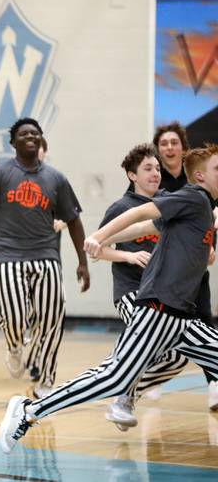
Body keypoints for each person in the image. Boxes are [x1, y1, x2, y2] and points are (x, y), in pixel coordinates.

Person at [0, 145, 218, 454]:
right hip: (158, 311)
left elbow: (145, 228)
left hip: (183, 317)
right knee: (114, 377)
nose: (155, 173)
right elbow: (141, 213)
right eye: (217, 169)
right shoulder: (194, 197)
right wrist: (98, 238)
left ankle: (126, 394)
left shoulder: (200, 210)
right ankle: (29, 410)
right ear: (199, 175)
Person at [0, 118, 90, 398]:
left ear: (41, 140)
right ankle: (15, 346)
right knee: (14, 317)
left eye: (35, 133)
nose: (31, 136)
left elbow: (74, 221)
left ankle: (47, 379)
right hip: (7, 254)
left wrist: (83, 262)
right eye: (24, 133)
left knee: (52, 319)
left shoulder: (56, 178)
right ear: (13, 142)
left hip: (46, 255)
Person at [94, 143, 189, 430]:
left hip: (164, 295)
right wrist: (128, 255)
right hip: (131, 292)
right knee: (147, 342)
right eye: (148, 168)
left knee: (178, 355)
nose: (155, 173)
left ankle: (126, 392)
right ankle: (121, 387)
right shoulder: (121, 208)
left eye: (158, 168)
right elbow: (97, 249)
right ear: (131, 175)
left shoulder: (169, 203)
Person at [154, 122, 218, 409]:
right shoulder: (154, 180)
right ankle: (144, 377)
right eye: (164, 143)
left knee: (203, 315)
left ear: (182, 147)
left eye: (174, 142)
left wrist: (210, 244)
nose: (169, 148)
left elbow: (208, 217)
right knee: (157, 326)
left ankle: (214, 383)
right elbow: (144, 216)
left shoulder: (201, 179)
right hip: (162, 264)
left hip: (192, 263)